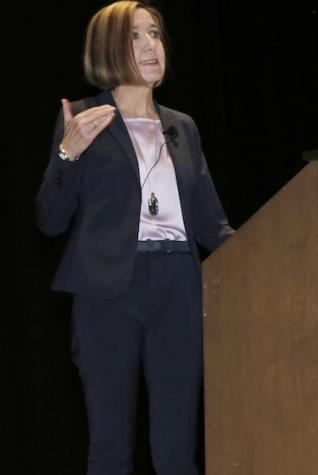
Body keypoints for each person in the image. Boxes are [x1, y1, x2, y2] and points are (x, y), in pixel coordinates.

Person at [36, 2, 234, 473]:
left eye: (156, 35)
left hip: (178, 288)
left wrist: (267, 255)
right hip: (107, 292)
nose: (151, 46)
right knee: (109, 447)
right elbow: (49, 220)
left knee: (176, 449)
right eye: (135, 37)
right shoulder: (84, 118)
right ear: (108, 48)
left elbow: (211, 225)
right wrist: (68, 154)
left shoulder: (182, 127)